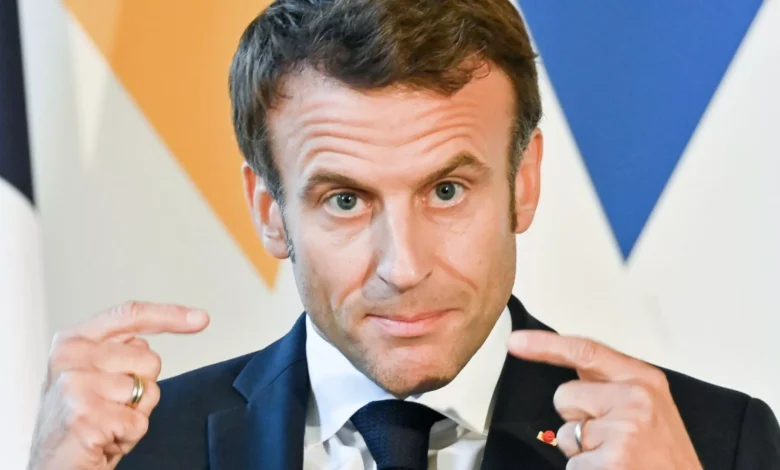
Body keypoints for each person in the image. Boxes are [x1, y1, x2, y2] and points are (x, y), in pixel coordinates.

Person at [27, 0, 780, 469]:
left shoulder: (716, 444)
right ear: (270, 210)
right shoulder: (132, 452)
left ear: (522, 182)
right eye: (346, 200)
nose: (405, 266)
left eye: (447, 191)